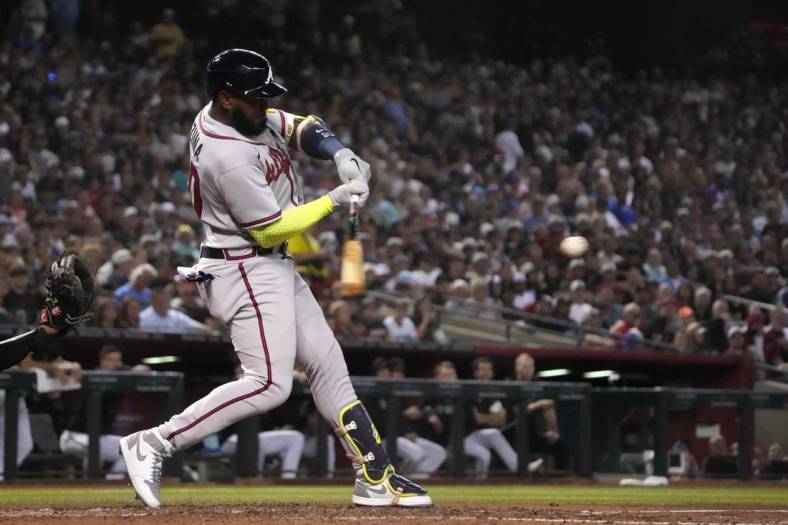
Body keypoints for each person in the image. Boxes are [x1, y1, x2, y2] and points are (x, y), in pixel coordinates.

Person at [118, 49, 430, 509]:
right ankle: (156, 442)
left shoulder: (238, 116)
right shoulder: (227, 156)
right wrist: (334, 199)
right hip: (243, 265)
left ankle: (375, 475)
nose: (264, 105)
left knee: (329, 366)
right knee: (269, 383)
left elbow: (300, 125)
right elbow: (269, 228)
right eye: (254, 98)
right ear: (225, 98)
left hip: (269, 264)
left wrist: (339, 152)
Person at [464, 357, 542, 477]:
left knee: (494, 435)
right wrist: (491, 418)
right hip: (462, 438)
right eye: (482, 370)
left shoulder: (494, 392)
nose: (486, 373)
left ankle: (520, 467)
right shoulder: (469, 390)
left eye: (488, 370)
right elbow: (479, 419)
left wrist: (489, 418)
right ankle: (477, 482)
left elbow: (502, 420)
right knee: (484, 453)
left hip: (479, 436)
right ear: (475, 372)